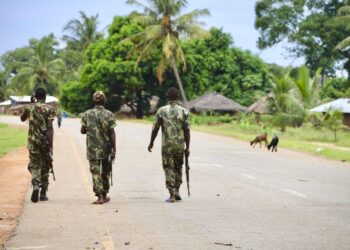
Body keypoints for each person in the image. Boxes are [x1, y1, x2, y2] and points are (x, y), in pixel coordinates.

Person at [148, 87, 191, 203]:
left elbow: (155, 129)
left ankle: (172, 195)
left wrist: (151, 142)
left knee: (168, 168)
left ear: (167, 97)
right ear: (177, 97)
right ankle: (177, 191)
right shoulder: (184, 111)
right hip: (179, 145)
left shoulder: (161, 111)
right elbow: (187, 130)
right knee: (178, 167)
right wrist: (188, 147)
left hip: (167, 146)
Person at [20, 88, 56, 203]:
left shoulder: (29, 107)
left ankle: (36, 184)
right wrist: (51, 145)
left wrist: (31, 103)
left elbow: (22, 119)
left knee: (35, 165)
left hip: (33, 142)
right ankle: (43, 193)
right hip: (45, 142)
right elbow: (50, 128)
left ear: (35, 96)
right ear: (45, 97)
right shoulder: (49, 109)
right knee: (46, 166)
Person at [80, 91, 116, 204]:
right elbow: (112, 132)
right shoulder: (109, 114)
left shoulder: (87, 114)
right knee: (106, 172)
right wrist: (114, 148)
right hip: (106, 148)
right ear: (104, 101)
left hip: (92, 148)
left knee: (95, 172)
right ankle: (105, 195)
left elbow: (82, 131)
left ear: (93, 101)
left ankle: (99, 196)